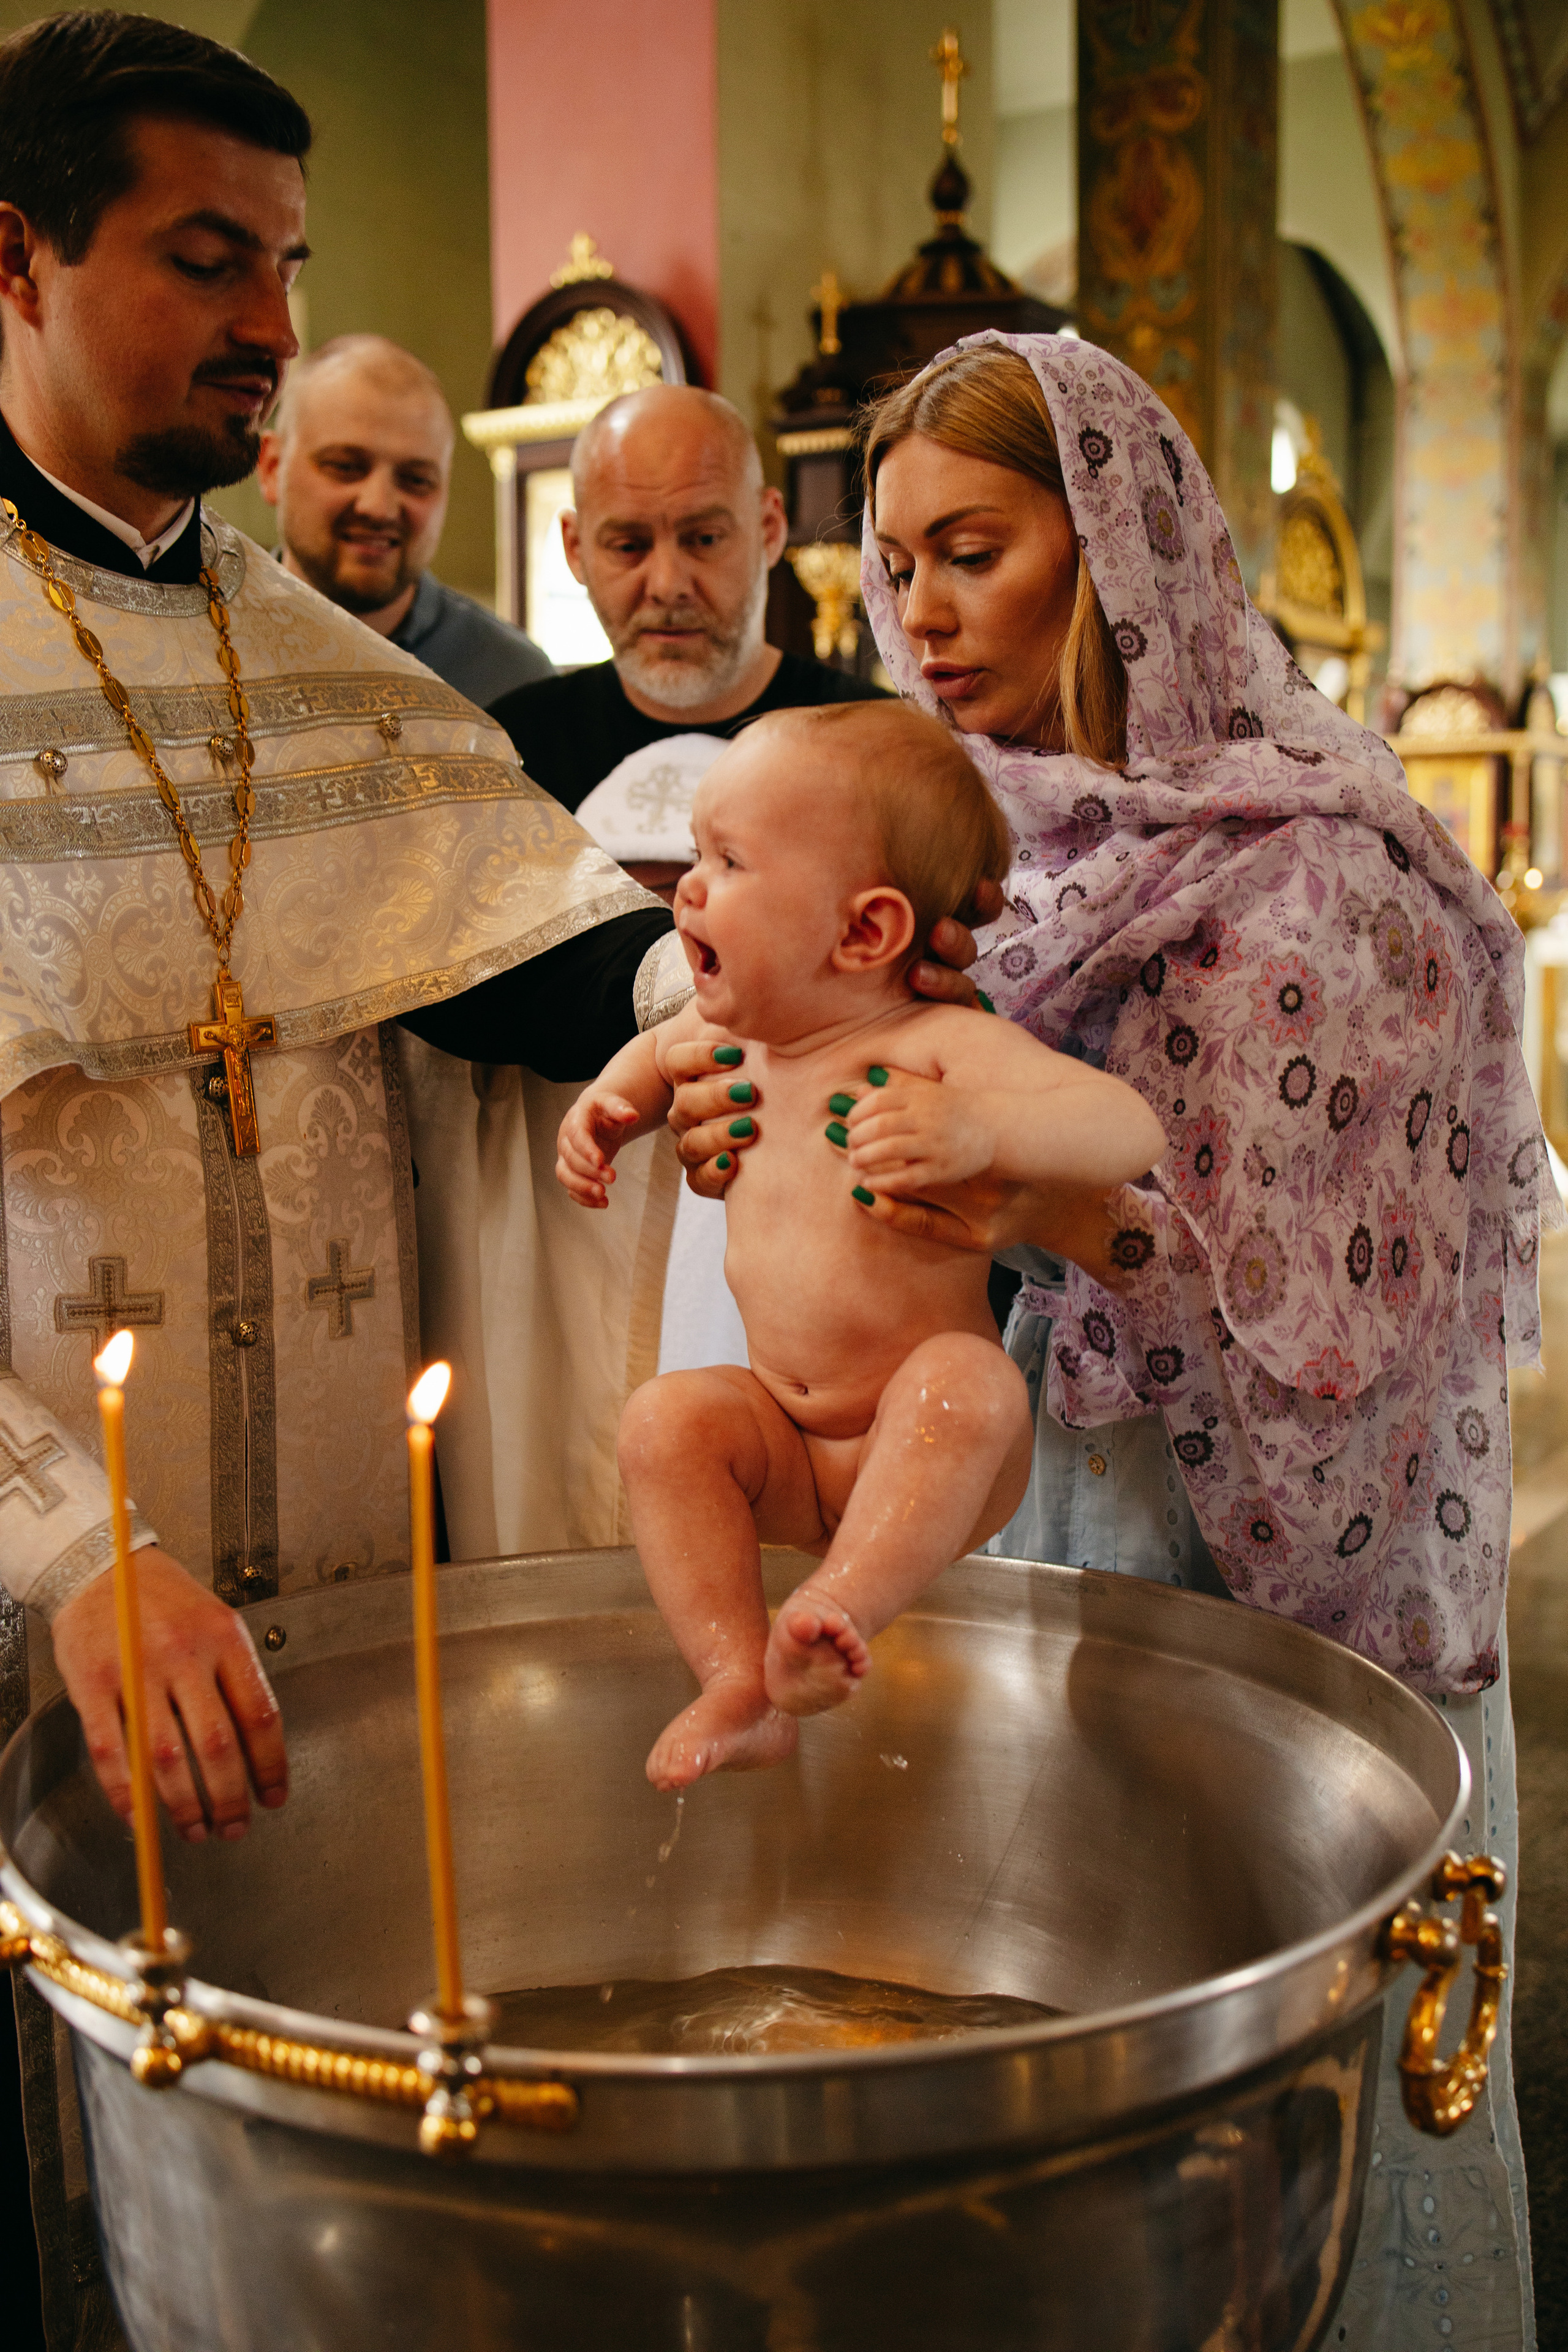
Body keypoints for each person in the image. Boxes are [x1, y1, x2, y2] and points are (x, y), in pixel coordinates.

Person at [685, 334, 1545, 2350]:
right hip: (1042, 1511)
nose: (920, 611)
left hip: (1275, 1564)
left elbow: (1349, 1285)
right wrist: (793, 1114)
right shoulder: (979, 837)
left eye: (972, 550)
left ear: (1120, 544)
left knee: (1287, 2101)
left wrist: (1041, 1191)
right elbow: (859, 1073)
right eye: (892, 564)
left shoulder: (1320, 855)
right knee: (1073, 2105)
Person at [558, 703, 1163, 1788]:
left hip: (928, 1453)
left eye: (729, 861)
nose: (688, 886)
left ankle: (840, 1606)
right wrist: (603, 1115)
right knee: (664, 1422)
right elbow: (644, 1066)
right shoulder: (727, 1035)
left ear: (864, 934)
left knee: (965, 1381)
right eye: (698, 852)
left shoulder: (938, 1046)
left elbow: (1129, 1127)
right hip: (785, 1440)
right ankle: (738, 1681)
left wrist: (985, 1127)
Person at [486, 380, 883, 819]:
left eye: (704, 539)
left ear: (769, 530)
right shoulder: (507, 756)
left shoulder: (878, 749)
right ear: (576, 549)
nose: (667, 584)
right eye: (628, 546)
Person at [256, 330, 552, 706]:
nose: (379, 507)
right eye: (346, 467)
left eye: (416, 480)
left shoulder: (514, 683)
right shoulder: (203, 646)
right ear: (271, 469)